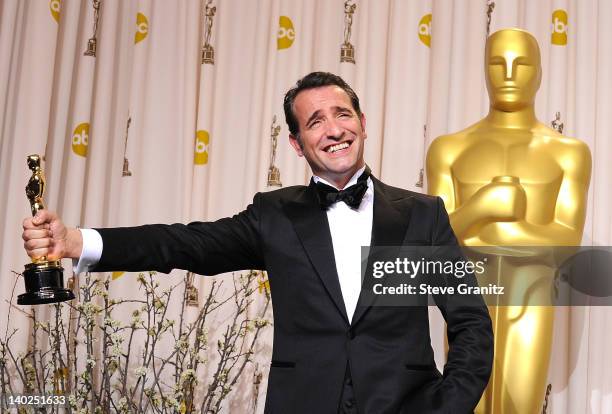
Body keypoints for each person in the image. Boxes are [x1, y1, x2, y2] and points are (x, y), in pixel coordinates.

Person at [23, 72, 493, 413]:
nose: (333, 130)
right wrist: (74, 241)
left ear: (363, 123)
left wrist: (447, 406)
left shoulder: (423, 215)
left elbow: (471, 321)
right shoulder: (276, 214)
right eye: (315, 122)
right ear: (296, 143)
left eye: (342, 115)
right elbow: (189, 244)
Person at [427, 29, 591, 413]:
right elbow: (435, 236)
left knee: (521, 403)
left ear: (539, 72)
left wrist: (504, 229)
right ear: (485, 71)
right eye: (498, 63)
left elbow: (567, 239)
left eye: (522, 63)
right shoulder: (450, 148)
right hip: (466, 298)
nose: (510, 74)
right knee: (467, 403)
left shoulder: (568, 153)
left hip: (530, 296)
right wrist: (483, 207)